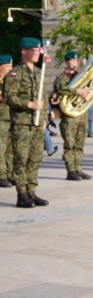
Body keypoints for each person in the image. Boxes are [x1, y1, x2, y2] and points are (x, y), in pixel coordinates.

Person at [4, 38, 50, 208]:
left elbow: (43, 97)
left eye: (39, 50)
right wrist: (28, 104)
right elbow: (9, 97)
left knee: (35, 158)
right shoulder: (15, 73)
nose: (37, 53)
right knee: (21, 159)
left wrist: (44, 118)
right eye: (34, 50)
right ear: (24, 51)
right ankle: (22, 194)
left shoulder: (40, 73)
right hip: (22, 123)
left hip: (37, 124)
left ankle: (31, 191)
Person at [50, 50, 92, 180]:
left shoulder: (82, 75)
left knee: (80, 144)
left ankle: (78, 168)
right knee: (70, 144)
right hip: (69, 116)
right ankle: (70, 170)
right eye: (70, 61)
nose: (72, 63)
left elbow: (90, 88)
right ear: (66, 62)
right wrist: (76, 91)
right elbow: (60, 89)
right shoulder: (61, 77)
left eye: (74, 60)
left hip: (82, 114)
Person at [0, 54, 15, 188]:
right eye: (8, 66)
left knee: (10, 149)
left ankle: (10, 174)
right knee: (1, 148)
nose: (11, 69)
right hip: (1, 119)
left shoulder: (11, 82)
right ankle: (1, 175)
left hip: (11, 118)